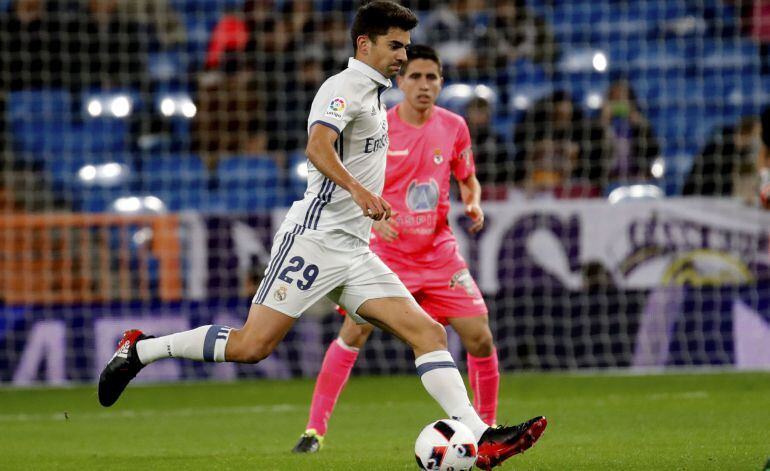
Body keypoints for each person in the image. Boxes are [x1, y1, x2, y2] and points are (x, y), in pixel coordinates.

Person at [96, 3, 546, 469]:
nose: (401, 55)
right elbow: (317, 146)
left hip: (353, 249)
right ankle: (141, 350)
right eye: (395, 46)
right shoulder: (343, 87)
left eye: (406, 47)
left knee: (429, 332)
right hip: (313, 239)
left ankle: (481, 437)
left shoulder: (375, 95)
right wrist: (359, 192)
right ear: (364, 44)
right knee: (253, 346)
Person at [292, 44, 505, 454]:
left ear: (441, 83)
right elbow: (356, 180)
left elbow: (468, 177)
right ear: (401, 82)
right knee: (355, 330)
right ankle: (314, 431)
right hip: (387, 254)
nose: (424, 85)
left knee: (479, 337)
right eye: (416, 76)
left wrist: (473, 200)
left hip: (439, 252)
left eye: (432, 77)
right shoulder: (380, 127)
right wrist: (378, 217)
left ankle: (487, 428)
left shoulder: (455, 126)